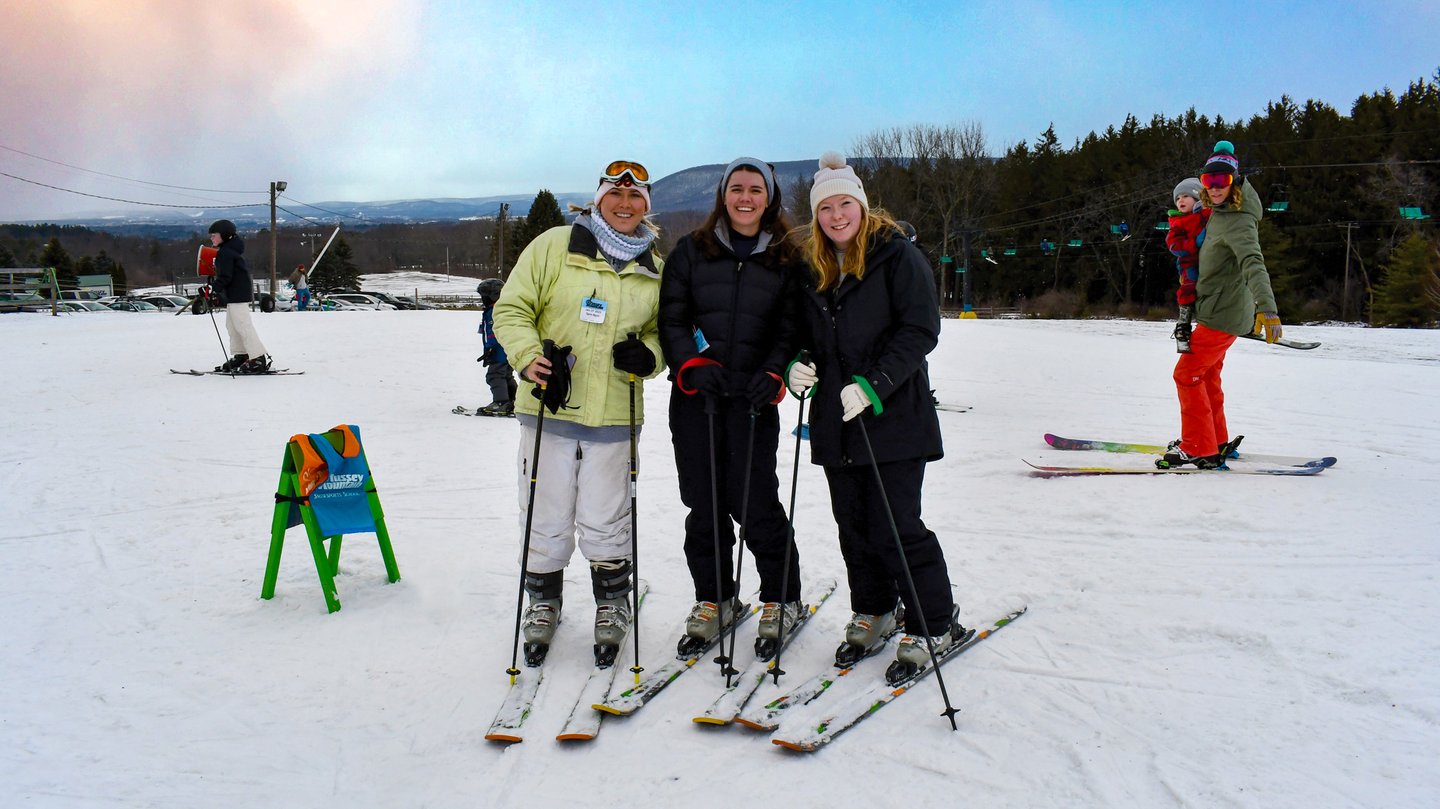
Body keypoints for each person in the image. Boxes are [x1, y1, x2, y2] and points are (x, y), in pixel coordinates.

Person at [784, 152, 963, 679]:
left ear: (862, 206)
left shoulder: (897, 258)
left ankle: (935, 621)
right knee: (853, 525)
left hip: (894, 418)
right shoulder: (813, 268)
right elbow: (802, 336)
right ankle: (876, 609)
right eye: (826, 208)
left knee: (896, 524)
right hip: (837, 420)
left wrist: (875, 384)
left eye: (845, 204)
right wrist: (799, 364)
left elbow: (920, 331)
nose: (837, 216)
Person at [491, 160, 665, 664]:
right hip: (550, 405)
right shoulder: (554, 246)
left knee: (607, 512)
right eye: (617, 194)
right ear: (598, 198)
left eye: (637, 198)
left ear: (647, 206)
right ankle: (542, 599)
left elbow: (663, 332)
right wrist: (527, 357)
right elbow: (512, 309)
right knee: (544, 508)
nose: (626, 204)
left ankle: (612, 602)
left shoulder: (655, 267)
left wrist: (650, 356)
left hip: (615, 411)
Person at [657, 157, 804, 658]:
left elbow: (791, 328)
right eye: (736, 188)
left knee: (754, 502)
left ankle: (782, 598)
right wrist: (690, 366)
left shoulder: (786, 258)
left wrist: (774, 373)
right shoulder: (690, 252)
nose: (745, 197)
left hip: (752, 402)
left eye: (755, 189)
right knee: (705, 503)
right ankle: (714, 598)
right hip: (698, 400)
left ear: (770, 198)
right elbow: (672, 318)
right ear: (723, 196)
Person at [1159, 141, 1283, 469]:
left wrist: (1267, 308)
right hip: (1217, 309)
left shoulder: (1238, 220)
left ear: (1234, 182)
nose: (1214, 189)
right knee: (1207, 374)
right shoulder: (1219, 212)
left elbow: (1253, 263)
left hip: (1223, 315)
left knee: (1186, 374)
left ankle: (1199, 446)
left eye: (1222, 181)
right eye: (1208, 181)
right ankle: (1215, 438)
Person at [207, 219, 271, 374]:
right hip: (235, 294)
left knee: (242, 325)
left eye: (214, 235)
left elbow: (225, 276)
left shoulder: (225, 253)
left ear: (225, 236)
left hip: (237, 294)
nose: (212, 239)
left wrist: (212, 288)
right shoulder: (229, 250)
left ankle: (258, 358)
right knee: (232, 325)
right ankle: (242, 354)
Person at [1165, 178, 1210, 353]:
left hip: (1209, 261)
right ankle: (1183, 325)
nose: (1180, 201)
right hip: (1189, 264)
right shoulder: (1177, 222)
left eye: (1185, 196)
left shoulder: (1205, 215)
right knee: (1188, 289)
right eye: (1177, 198)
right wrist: (1194, 243)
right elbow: (1174, 246)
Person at [475, 278, 516, 416]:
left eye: (484, 296)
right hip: (506, 350)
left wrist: (490, 349)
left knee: (495, 375)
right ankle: (513, 401)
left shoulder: (495, 310)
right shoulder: (502, 308)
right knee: (506, 375)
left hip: (499, 351)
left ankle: (501, 402)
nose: (483, 299)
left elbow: (495, 331)